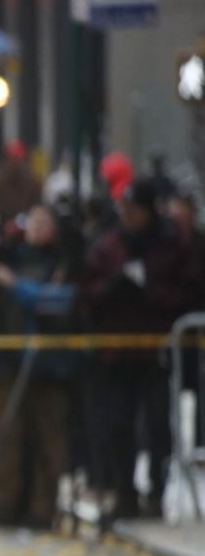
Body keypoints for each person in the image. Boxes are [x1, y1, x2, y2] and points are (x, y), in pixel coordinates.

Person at [83, 179, 197, 521]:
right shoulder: (111, 245)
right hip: (117, 351)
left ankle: (156, 492)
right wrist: (116, 285)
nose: (127, 217)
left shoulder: (172, 245)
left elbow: (188, 292)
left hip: (157, 348)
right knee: (119, 424)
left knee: (158, 423)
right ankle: (125, 491)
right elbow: (89, 291)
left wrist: (150, 291)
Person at [0, 206, 81, 527]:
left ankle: (43, 509)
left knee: (48, 441)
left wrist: (15, 285)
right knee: (6, 438)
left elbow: (55, 302)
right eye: (32, 222)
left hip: (48, 366)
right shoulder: (14, 257)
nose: (35, 228)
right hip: (11, 363)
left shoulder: (63, 262)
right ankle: (5, 505)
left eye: (43, 223)